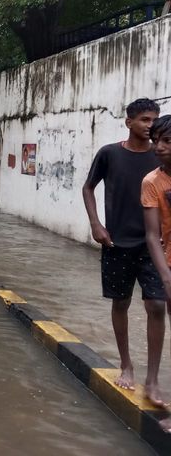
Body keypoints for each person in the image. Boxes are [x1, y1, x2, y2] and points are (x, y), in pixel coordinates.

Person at [82, 98, 165, 404]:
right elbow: (88, 187)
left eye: (153, 120)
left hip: (153, 245)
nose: (150, 125)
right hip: (116, 242)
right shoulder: (109, 154)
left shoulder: (162, 157)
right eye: (144, 119)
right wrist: (96, 225)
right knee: (121, 303)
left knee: (156, 304)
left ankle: (153, 379)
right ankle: (126, 364)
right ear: (129, 122)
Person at [143, 114, 171, 429]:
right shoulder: (152, 182)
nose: (158, 147)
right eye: (156, 141)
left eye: (166, 141)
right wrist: (166, 276)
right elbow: (152, 235)